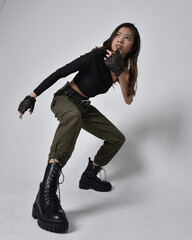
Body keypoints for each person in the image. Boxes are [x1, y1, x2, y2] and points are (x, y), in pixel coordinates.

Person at [18, 22, 141, 233]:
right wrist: (32, 95)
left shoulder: (124, 70)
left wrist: (120, 71)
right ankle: (46, 193)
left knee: (117, 138)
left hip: (83, 107)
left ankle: (89, 176)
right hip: (65, 98)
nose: (120, 39)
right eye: (117, 35)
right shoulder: (96, 56)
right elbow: (60, 72)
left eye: (127, 37)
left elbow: (128, 99)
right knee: (73, 117)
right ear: (112, 38)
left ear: (133, 47)